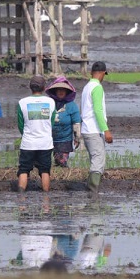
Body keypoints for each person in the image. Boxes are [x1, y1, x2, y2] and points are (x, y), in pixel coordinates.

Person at [17, 75, 56, 192]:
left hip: (28, 143)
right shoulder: (51, 102)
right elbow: (51, 123)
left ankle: (21, 197)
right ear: (44, 88)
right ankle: (46, 197)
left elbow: (20, 125)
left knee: (23, 170)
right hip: (45, 143)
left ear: (30, 87)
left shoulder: (22, 102)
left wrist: (27, 134)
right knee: (45, 170)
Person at [80, 61, 113, 193]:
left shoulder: (87, 87)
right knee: (98, 161)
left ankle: (91, 189)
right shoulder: (97, 87)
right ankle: (93, 192)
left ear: (91, 73)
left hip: (86, 129)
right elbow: (98, 110)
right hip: (93, 129)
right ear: (103, 73)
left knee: (95, 160)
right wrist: (106, 130)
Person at [46, 76, 82, 168]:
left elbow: (76, 123)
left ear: (67, 91)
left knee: (61, 162)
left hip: (64, 140)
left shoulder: (72, 106)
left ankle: (63, 175)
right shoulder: (49, 104)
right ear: (55, 91)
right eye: (59, 90)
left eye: (63, 90)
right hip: (48, 139)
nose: (61, 92)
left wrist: (77, 138)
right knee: (45, 163)